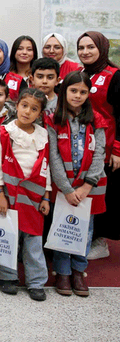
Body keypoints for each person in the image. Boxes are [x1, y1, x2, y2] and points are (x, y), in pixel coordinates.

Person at [0, 89, 51, 302]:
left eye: (34, 109)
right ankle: (7, 277)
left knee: (33, 240)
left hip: (34, 196)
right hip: (10, 194)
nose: (28, 112)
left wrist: (46, 196)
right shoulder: (5, 132)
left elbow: (45, 167)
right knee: (9, 236)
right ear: (17, 106)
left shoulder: (43, 134)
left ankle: (36, 282)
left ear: (39, 114)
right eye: (24, 106)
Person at [48, 71, 107, 297]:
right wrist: (67, 188)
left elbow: (99, 153)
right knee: (64, 229)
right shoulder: (53, 120)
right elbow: (53, 157)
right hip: (64, 188)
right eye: (73, 90)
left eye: (83, 92)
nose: (78, 95)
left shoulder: (97, 120)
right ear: (64, 92)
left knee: (84, 230)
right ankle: (62, 272)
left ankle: (78, 271)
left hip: (87, 190)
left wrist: (86, 187)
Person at [76, 31, 120, 258]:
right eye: (81, 47)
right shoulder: (78, 75)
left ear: (102, 48)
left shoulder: (114, 75)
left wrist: (118, 150)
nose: (85, 52)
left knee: (104, 196)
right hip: (82, 148)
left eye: (90, 47)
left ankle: (100, 241)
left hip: (107, 149)